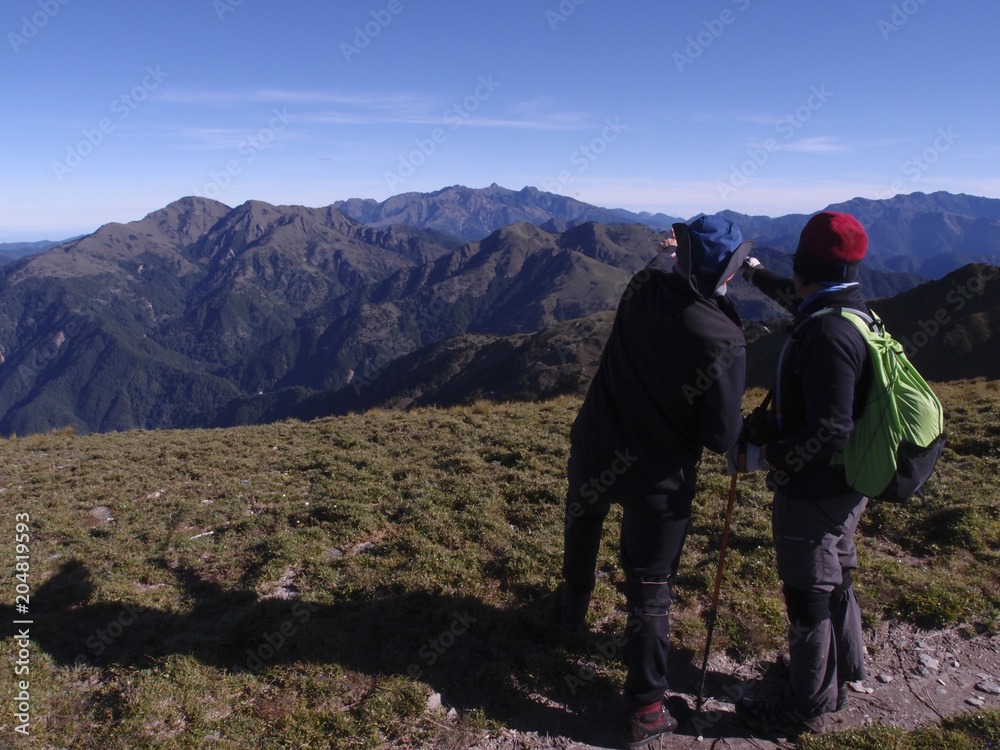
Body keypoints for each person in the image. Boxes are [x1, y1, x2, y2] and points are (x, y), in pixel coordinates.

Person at [559, 215, 752, 749]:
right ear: (726, 273)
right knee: (649, 586)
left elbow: (659, 269)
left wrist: (672, 255)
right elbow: (721, 436)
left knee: (584, 520)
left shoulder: (642, 287)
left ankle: (571, 608)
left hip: (598, 442)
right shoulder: (723, 337)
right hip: (658, 478)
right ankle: (645, 708)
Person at [728, 211, 872, 736]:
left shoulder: (829, 334)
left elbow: (830, 429)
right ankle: (847, 667)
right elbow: (798, 299)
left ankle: (805, 704)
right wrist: (753, 272)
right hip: (848, 485)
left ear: (805, 266)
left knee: (807, 590)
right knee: (836, 573)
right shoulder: (848, 309)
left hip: (816, 488)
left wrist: (765, 458)